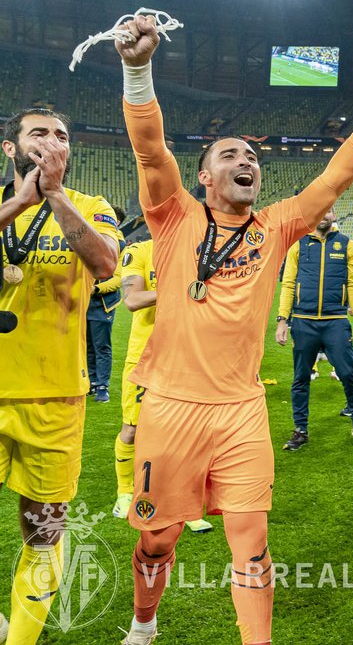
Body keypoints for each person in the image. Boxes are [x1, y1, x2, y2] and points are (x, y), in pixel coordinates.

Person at [114, 15, 353, 645]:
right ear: (205, 178)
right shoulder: (172, 217)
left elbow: (333, 183)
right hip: (170, 408)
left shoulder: (274, 227)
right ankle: (144, 620)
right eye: (230, 155)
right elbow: (149, 149)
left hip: (242, 411)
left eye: (253, 156)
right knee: (155, 539)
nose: (247, 161)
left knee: (252, 541)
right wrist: (138, 69)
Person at [0, 107, 120, 643]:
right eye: (38, 133)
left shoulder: (91, 206)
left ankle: (20, 638)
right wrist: (18, 204)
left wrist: (52, 196)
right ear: (11, 148)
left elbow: (106, 264)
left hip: (55, 397)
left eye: (62, 135)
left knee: (43, 529)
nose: (51, 141)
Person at [112, 238, 214, 533]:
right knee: (132, 429)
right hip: (145, 358)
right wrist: (176, 291)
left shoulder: (196, 253)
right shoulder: (138, 251)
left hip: (185, 356)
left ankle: (184, 505)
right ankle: (125, 491)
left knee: (185, 433)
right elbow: (132, 300)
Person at [276, 207, 353, 449]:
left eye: (328, 210)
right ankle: (300, 429)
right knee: (300, 378)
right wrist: (282, 320)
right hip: (303, 320)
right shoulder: (297, 245)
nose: (324, 215)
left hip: (336, 322)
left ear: (334, 214)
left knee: (348, 374)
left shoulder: (347, 245)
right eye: (319, 211)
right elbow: (288, 284)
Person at [86, 207, 126, 402]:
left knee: (101, 346)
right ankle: (91, 383)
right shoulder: (90, 238)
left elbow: (119, 278)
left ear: (116, 222)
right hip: (85, 301)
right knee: (87, 345)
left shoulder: (120, 244)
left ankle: (103, 386)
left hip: (103, 302)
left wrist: (96, 289)